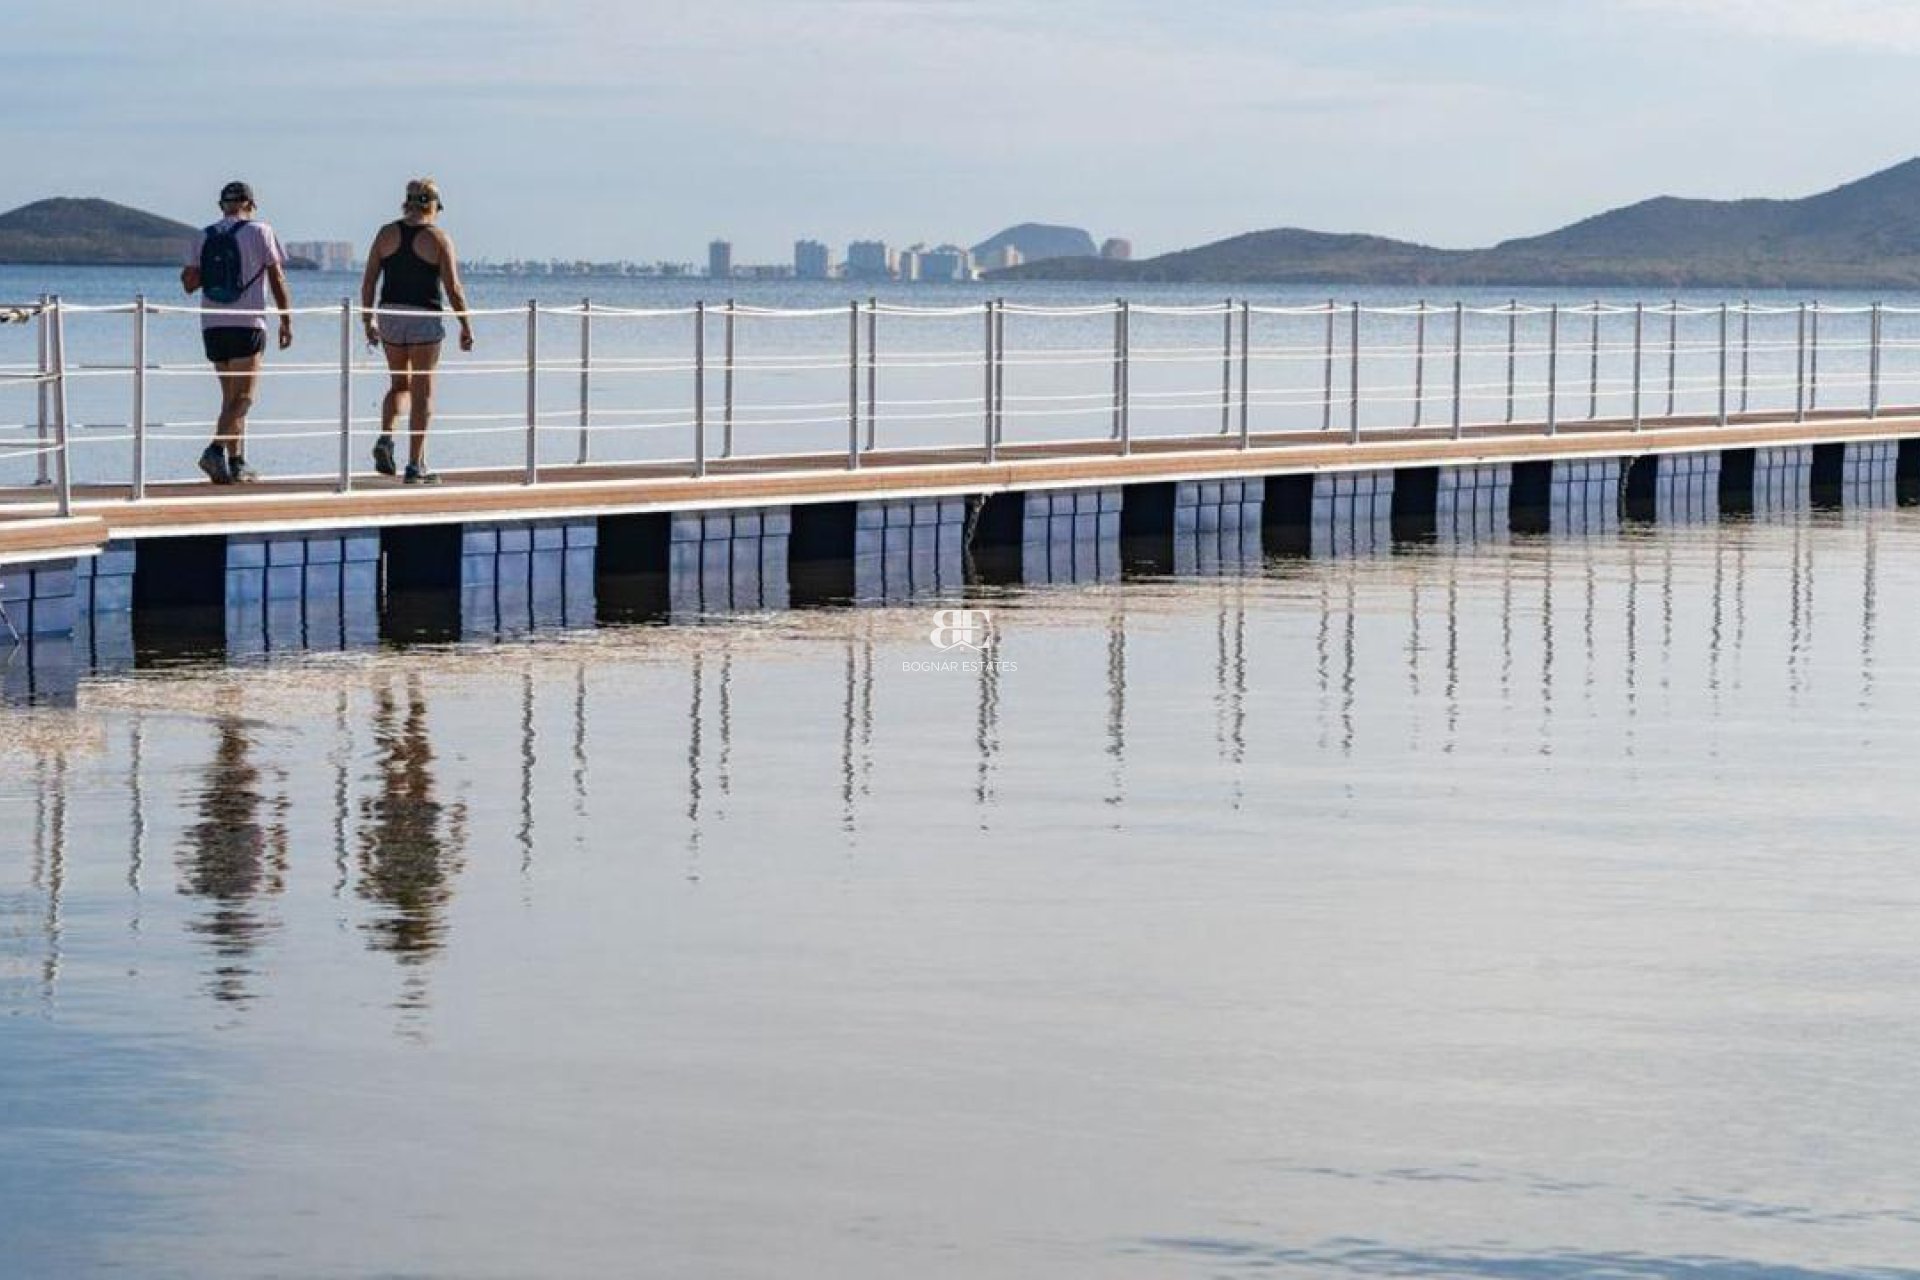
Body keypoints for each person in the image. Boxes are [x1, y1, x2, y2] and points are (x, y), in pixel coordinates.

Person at [360, 178, 474, 486]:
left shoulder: (385, 233)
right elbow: (453, 288)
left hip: (390, 315)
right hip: (424, 316)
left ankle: (386, 436)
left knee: (399, 384)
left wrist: (368, 320)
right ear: (432, 205)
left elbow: (369, 281)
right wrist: (466, 325)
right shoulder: (438, 239)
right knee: (423, 392)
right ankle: (414, 466)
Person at [179, 180, 292, 484]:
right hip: (247, 324)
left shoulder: (204, 235)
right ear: (250, 204)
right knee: (244, 397)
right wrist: (286, 320)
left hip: (212, 325)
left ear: (222, 206)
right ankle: (215, 450)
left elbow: (188, 283)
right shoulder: (261, 231)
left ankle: (237, 463)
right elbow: (277, 278)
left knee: (229, 397)